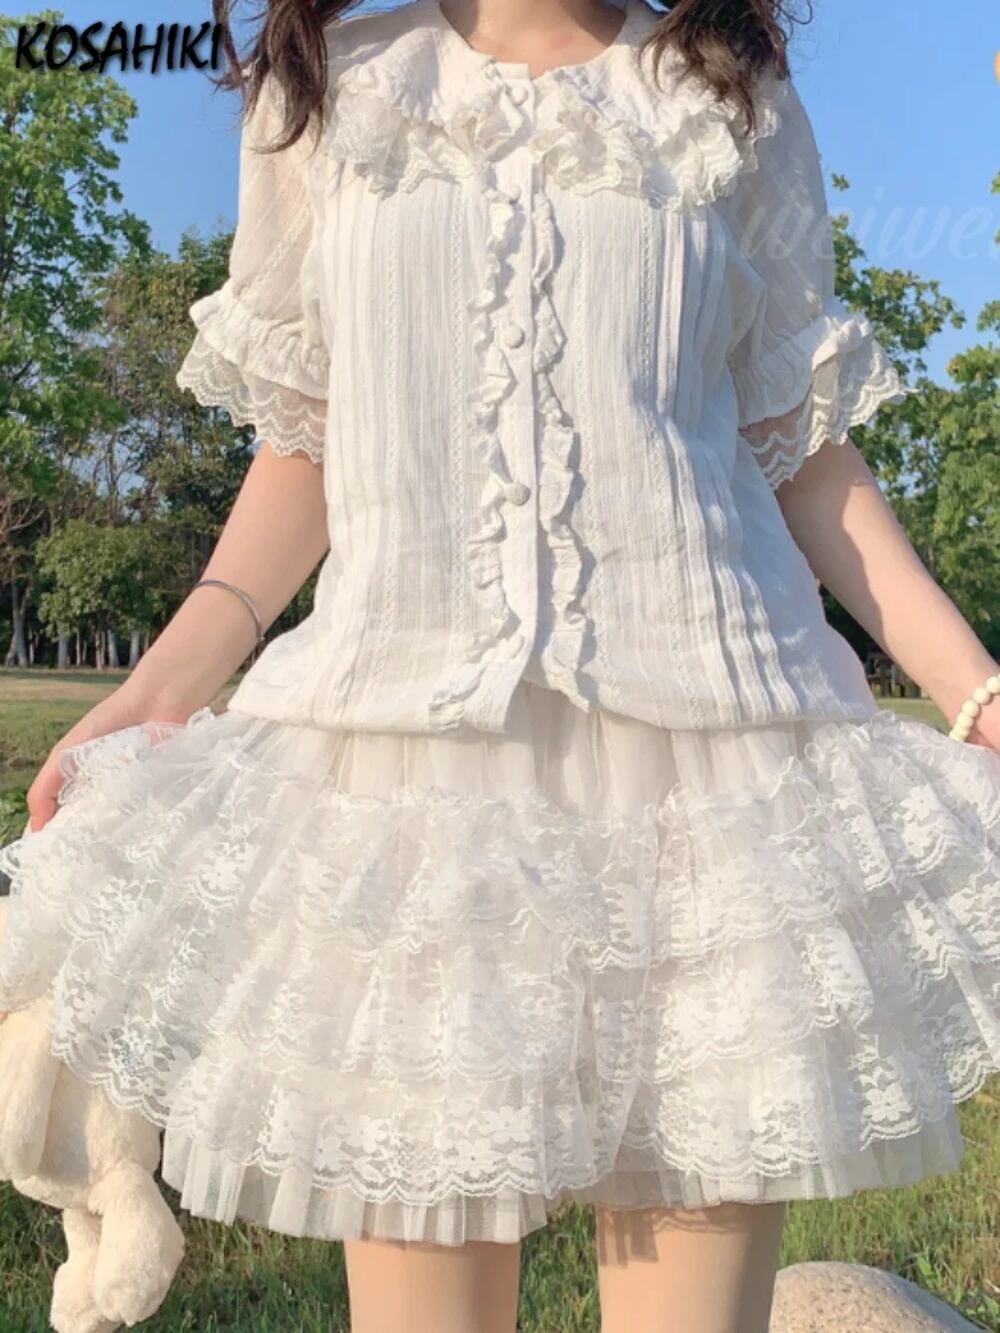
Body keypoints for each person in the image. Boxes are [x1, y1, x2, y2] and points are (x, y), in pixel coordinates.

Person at [2, 1, 999, 1329]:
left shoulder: (725, 96)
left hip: (717, 799)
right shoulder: (331, 93)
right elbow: (307, 441)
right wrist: (156, 686)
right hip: (409, 807)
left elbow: (797, 436)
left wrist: (976, 690)